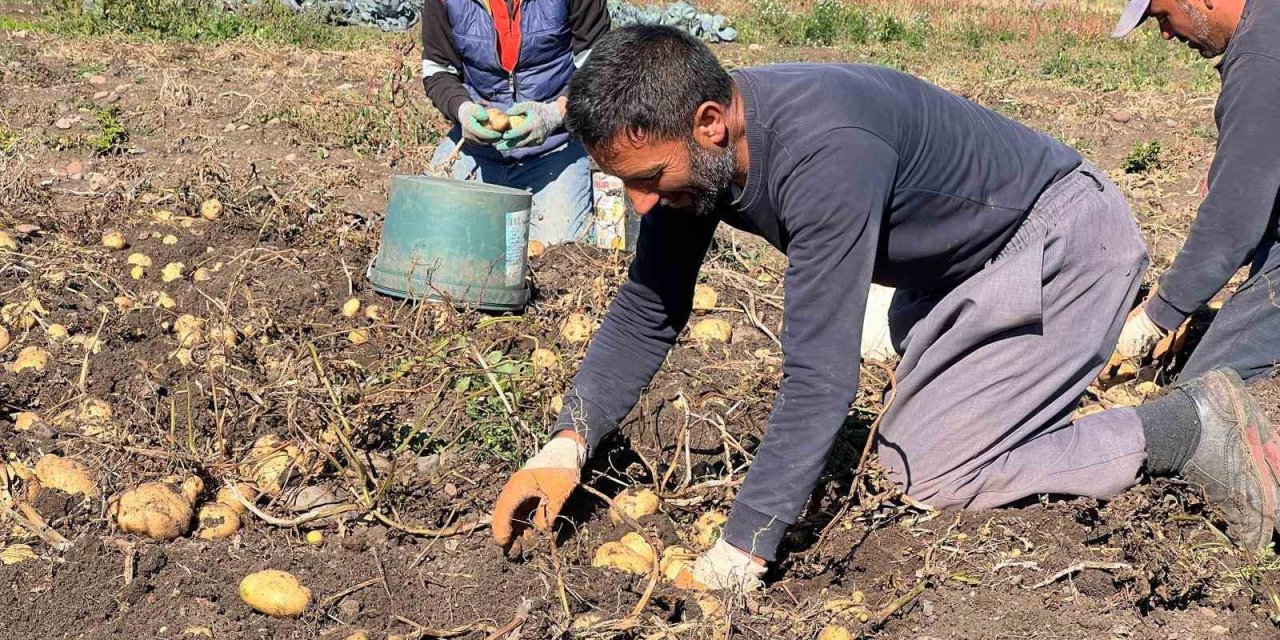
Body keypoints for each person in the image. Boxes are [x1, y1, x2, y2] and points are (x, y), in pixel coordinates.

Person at [490, 26, 1280, 592]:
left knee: (933, 469)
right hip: (965, 263)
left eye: (648, 177)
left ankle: (1186, 428)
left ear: (708, 122)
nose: (638, 202)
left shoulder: (823, 151)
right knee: (886, 356)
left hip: (1066, 242)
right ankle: (1012, 379)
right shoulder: (705, 149)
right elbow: (648, 307)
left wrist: (743, 547)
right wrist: (568, 442)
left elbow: (818, 378)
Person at [1110, 0, 1280, 382]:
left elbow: (1233, 221)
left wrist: (1158, 316)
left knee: (1204, 397)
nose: (1167, 34)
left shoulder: (1261, 57)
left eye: (1163, 17)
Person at [420, 0, 610, 246]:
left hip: (555, 146)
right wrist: (464, 109)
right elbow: (438, 69)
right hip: (476, 148)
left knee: (558, 253)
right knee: (429, 235)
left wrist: (555, 113)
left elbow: (600, 65)